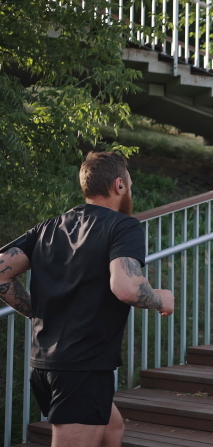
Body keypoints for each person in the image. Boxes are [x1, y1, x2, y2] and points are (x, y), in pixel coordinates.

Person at [0, 151, 175, 447]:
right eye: (129, 184)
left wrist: (36, 310)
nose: (129, 190)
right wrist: (160, 298)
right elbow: (127, 287)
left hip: (45, 364)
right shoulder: (123, 226)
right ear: (119, 185)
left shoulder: (48, 228)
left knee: (111, 430)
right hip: (83, 366)